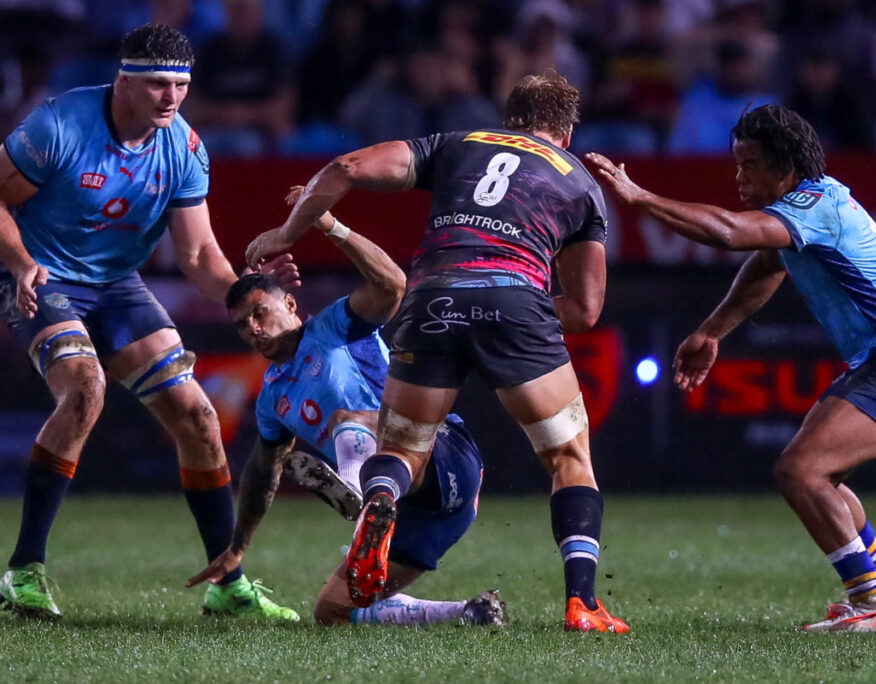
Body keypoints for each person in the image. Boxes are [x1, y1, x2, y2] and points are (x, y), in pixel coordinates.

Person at [244, 72, 629, 633]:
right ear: (566, 133)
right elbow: (585, 309)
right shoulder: (580, 182)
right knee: (569, 459)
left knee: (402, 449)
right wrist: (509, 314)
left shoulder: (457, 143)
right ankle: (582, 604)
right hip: (515, 298)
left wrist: (287, 232)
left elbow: (347, 167)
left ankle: (377, 497)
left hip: (430, 298)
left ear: (509, 119)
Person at [588, 105, 876, 633]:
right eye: (737, 164)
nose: (739, 177)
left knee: (801, 471)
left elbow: (727, 233)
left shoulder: (814, 205)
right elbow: (767, 264)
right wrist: (711, 332)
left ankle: (872, 604)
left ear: (785, 167)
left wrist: (641, 198)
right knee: (821, 478)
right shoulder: (806, 207)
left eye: (750, 165)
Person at [0, 23, 298, 621]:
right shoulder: (59, 125)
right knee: (86, 388)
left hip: (117, 286)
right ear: (125, 80)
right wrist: (21, 263)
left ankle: (228, 584)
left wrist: (248, 294)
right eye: (159, 83)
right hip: (43, 278)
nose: (172, 97)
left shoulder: (183, 147)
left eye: (182, 85)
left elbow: (199, 254)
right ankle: (23, 571)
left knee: (199, 415)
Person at [186, 193, 506, 627]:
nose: (254, 329)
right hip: (425, 514)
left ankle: (360, 490)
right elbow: (263, 471)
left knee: (347, 420)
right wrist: (237, 547)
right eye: (243, 324)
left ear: (290, 305)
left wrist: (331, 226)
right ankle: (470, 614)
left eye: (260, 313)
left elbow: (392, 285)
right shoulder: (271, 399)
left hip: (440, 452)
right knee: (334, 611)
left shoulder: (335, 326)